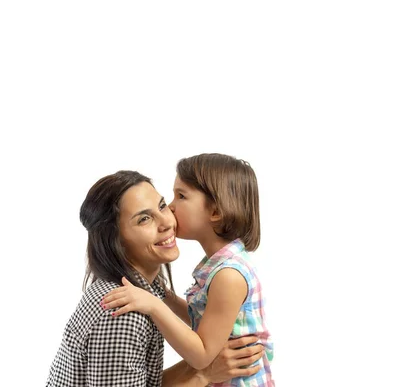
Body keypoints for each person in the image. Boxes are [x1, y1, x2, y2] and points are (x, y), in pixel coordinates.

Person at [46, 170, 264, 387]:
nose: (167, 222)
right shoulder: (122, 314)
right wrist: (202, 374)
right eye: (144, 219)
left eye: (161, 206)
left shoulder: (146, 292)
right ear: (116, 240)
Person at [103, 154, 274, 386]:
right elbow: (203, 316)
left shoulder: (229, 276)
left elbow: (202, 355)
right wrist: (163, 296)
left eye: (181, 196)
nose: (170, 208)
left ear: (215, 211)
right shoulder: (218, 263)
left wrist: (153, 305)